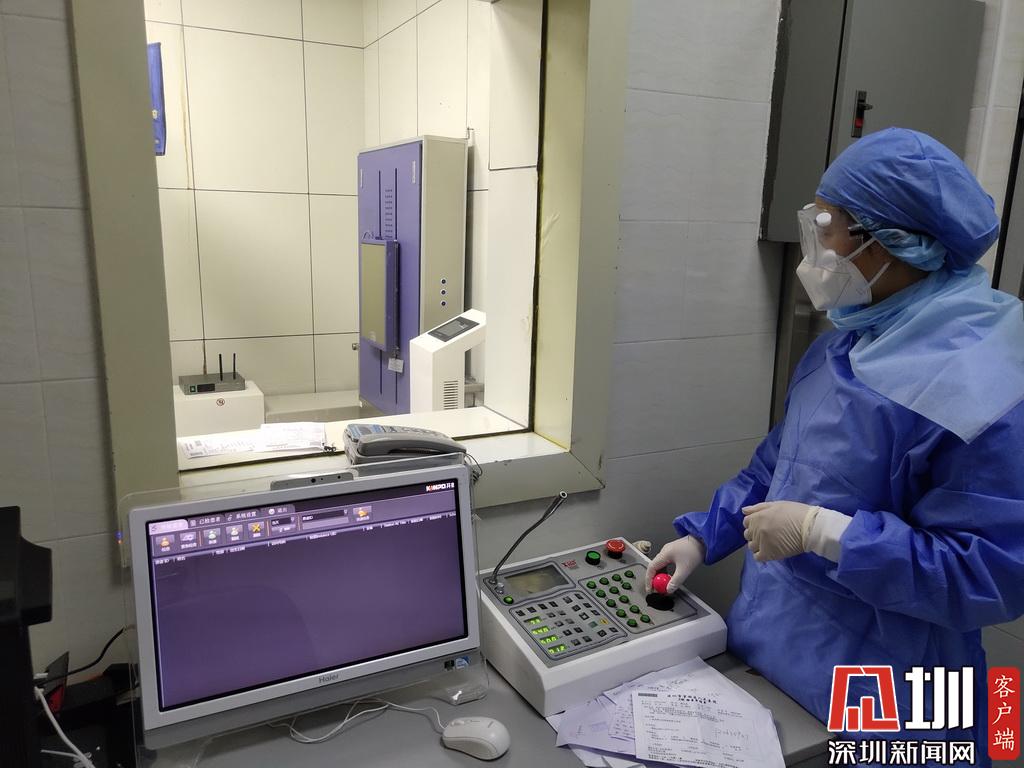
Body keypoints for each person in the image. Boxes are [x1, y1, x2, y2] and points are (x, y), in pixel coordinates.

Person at [645, 128, 1024, 765]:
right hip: (775, 650)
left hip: (897, 699)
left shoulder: (984, 385)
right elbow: (778, 469)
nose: (816, 248)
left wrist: (828, 534)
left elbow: (987, 575)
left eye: (828, 227)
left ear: (893, 242)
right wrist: (704, 537)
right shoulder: (846, 344)